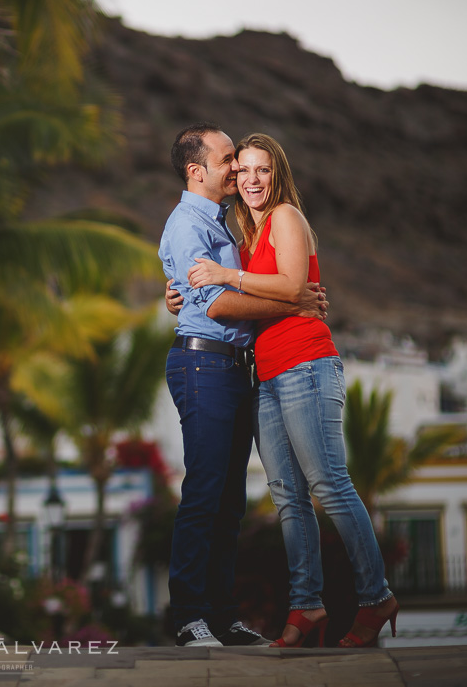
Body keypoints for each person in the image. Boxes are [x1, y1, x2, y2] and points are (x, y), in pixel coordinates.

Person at [182, 132, 398, 648]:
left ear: (277, 176)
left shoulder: (285, 218)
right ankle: (306, 606)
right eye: (244, 171)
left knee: (328, 483)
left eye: (263, 171)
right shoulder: (244, 237)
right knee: (287, 497)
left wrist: (224, 275)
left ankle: (375, 597)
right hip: (266, 376)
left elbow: (293, 286)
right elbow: (255, 297)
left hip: (306, 365)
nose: (253, 180)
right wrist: (183, 297)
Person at [159, 122, 328, 647]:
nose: (236, 167)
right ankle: (189, 615)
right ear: (197, 170)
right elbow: (217, 303)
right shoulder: (189, 225)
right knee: (205, 493)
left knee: (230, 500)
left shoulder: (225, 222)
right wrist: (293, 302)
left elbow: (204, 290)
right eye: (228, 158)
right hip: (204, 368)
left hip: (235, 367)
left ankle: (222, 615)